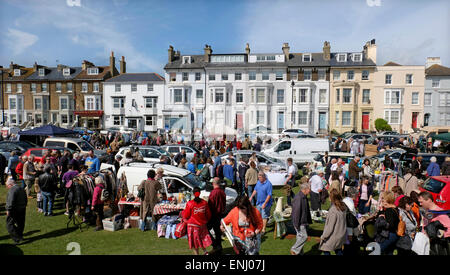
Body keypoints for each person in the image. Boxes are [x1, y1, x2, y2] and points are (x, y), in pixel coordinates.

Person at [182, 186, 212, 255]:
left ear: (193, 193)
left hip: (193, 226)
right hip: (202, 225)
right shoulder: (204, 203)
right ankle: (205, 252)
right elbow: (208, 215)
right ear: (200, 193)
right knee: (201, 240)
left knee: (195, 243)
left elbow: (186, 215)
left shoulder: (190, 203)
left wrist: (183, 216)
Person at [319, 189, 347, 255]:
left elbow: (330, 227)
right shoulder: (343, 207)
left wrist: (323, 236)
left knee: (325, 248)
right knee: (338, 250)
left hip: (334, 236)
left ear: (332, 197)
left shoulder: (333, 210)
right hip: (341, 234)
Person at [290, 182, 312, 255]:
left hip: (302, 221)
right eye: (309, 189)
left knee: (300, 238)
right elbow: (296, 212)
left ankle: (299, 253)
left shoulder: (303, 196)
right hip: (300, 222)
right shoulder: (299, 198)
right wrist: (296, 224)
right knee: (304, 237)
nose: (310, 191)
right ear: (305, 189)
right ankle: (294, 249)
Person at [207, 177, 226, 254]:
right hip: (220, 214)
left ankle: (215, 245)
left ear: (213, 183)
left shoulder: (213, 192)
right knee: (217, 232)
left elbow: (210, 205)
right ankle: (219, 247)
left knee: (205, 229)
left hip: (213, 214)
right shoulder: (222, 192)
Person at [5, 178, 27, 245]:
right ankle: (20, 236)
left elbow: (10, 200)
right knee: (20, 224)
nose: (7, 187)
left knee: (9, 224)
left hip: (15, 209)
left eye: (7, 186)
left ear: (11, 184)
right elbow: (25, 198)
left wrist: (8, 209)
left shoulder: (12, 189)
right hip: (22, 208)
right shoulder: (21, 188)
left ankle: (16, 238)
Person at [343, 187, 359, 255]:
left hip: (344, 226)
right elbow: (349, 220)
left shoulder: (345, 199)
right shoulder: (350, 204)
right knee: (350, 247)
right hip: (348, 228)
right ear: (354, 195)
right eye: (357, 195)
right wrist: (350, 234)